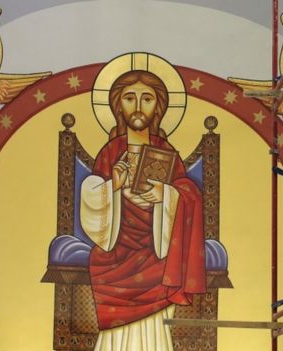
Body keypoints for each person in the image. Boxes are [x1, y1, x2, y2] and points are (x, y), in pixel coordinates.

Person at [80, 70, 206, 350]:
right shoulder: (110, 152)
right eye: (129, 98)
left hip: (158, 252)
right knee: (100, 261)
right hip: (115, 253)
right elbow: (92, 200)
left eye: (146, 99)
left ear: (158, 107)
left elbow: (188, 195)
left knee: (162, 284)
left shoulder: (167, 151)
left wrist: (163, 195)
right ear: (117, 106)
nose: (137, 107)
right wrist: (114, 185)